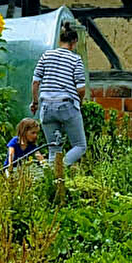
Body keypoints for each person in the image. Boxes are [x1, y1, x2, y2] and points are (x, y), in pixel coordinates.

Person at [30, 23, 89, 167]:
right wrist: (79, 102)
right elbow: (81, 89)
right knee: (80, 146)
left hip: (46, 107)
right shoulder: (75, 59)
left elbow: (36, 82)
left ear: (59, 41)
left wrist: (35, 103)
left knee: (54, 149)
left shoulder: (46, 55)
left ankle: (52, 181)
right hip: (66, 105)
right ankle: (59, 168)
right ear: (74, 42)